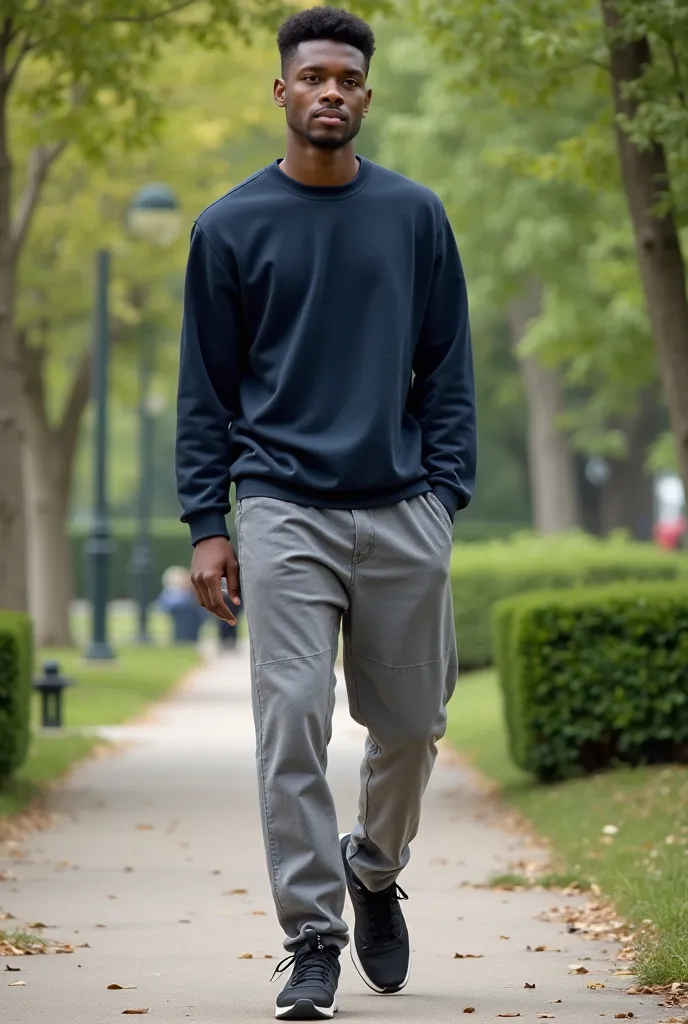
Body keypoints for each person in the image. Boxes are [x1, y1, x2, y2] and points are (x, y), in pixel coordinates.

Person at [176, 7, 476, 1020]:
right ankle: (312, 938)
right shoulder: (226, 228)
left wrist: (445, 492)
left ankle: (376, 866)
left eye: (347, 76)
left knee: (410, 725)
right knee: (291, 720)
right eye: (313, 77)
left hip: (401, 507)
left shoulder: (414, 216)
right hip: (279, 507)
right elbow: (203, 392)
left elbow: (447, 370)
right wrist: (205, 521)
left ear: (366, 94)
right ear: (283, 91)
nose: (331, 91)